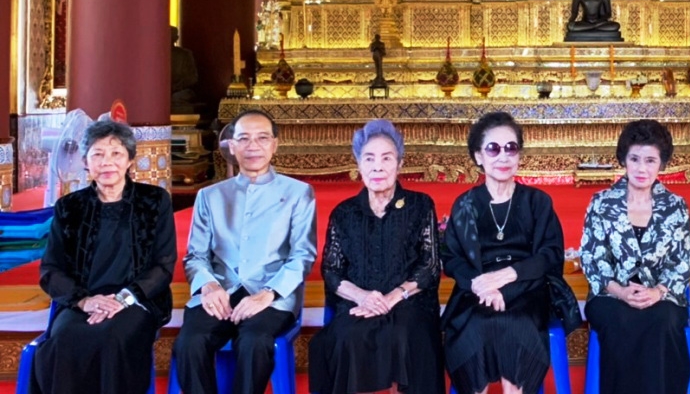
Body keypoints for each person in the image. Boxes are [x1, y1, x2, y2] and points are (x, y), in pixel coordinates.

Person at [174, 109, 318, 394]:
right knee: (190, 342)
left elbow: (303, 255)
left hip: (271, 294)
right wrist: (209, 286)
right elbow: (195, 255)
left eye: (262, 138)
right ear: (232, 145)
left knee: (254, 342)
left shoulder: (298, 193)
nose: (253, 146)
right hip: (220, 291)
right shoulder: (210, 195)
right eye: (244, 139)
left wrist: (268, 293)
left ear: (275, 144)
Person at [441, 112, 580, 394]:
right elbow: (452, 258)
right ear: (478, 156)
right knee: (478, 323)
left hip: (528, 288)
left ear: (519, 154)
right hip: (476, 292)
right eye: (493, 148)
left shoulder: (537, 201)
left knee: (514, 324)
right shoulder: (465, 205)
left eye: (511, 148)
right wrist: (481, 285)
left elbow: (550, 255)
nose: (503, 157)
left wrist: (507, 277)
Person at [34, 120, 177, 394]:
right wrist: (84, 301)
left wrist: (122, 300)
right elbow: (50, 269)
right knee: (65, 338)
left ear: (130, 161)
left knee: (113, 338)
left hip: (137, 301)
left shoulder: (155, 201)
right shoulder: (69, 206)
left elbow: (163, 265)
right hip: (83, 301)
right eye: (97, 154)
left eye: (116, 154)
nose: (107, 162)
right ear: (86, 162)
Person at [309, 120, 444, 394]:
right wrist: (362, 297)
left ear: (400, 164)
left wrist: (392, 297)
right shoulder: (344, 212)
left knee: (406, 335)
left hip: (409, 303)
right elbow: (332, 270)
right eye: (369, 158)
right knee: (341, 339)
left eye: (387, 158)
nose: (377, 166)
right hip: (360, 304)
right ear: (358, 164)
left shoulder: (420, 205)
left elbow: (429, 265)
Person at [580, 120, 690, 394]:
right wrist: (620, 291)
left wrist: (658, 291)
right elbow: (592, 258)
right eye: (634, 159)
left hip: (662, 295)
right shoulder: (601, 202)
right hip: (611, 294)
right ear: (624, 159)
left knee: (661, 321)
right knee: (622, 320)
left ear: (662, 163)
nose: (641, 168)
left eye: (650, 160)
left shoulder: (675, 206)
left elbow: (683, 261)